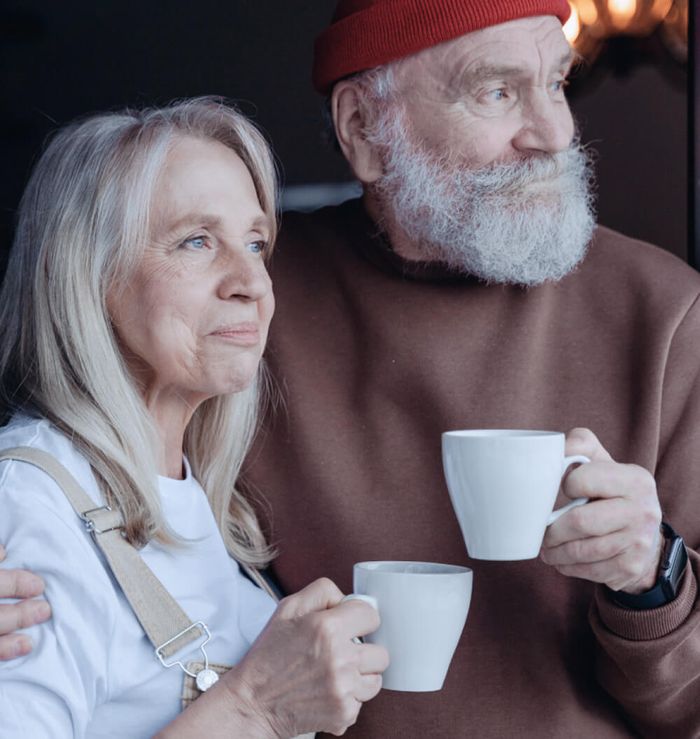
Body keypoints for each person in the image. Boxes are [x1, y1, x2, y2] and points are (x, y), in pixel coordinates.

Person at [2, 1, 700, 736]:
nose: (556, 133)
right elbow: (66, 416)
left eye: (556, 83)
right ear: (364, 128)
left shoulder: (665, 314)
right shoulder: (245, 312)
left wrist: (654, 577)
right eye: (496, 91)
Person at [0, 98, 388, 738]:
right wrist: (255, 707)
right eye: (197, 240)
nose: (252, 282)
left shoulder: (202, 499)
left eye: (257, 242)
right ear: (87, 273)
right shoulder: (33, 508)